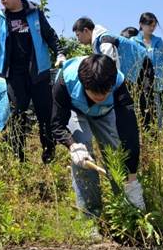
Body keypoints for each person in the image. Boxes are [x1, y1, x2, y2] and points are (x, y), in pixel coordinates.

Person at [0, 0, 65, 163]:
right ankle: (18, 157)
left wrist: (60, 53)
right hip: (14, 75)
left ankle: (49, 155)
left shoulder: (35, 13)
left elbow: (50, 35)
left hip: (39, 72)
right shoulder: (1, 17)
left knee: (45, 115)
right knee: (17, 113)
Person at [52, 54, 146, 215]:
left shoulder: (117, 83)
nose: (101, 98)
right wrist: (73, 146)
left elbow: (129, 131)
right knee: (84, 153)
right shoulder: (65, 81)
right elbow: (56, 124)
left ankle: (127, 209)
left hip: (105, 113)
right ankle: (90, 214)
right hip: (76, 111)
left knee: (117, 152)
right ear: (83, 84)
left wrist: (132, 177)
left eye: (105, 93)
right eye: (95, 94)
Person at [72, 17, 148, 84]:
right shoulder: (99, 42)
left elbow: (111, 66)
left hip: (146, 66)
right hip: (137, 70)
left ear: (86, 30)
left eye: (78, 35)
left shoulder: (105, 40)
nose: (78, 40)